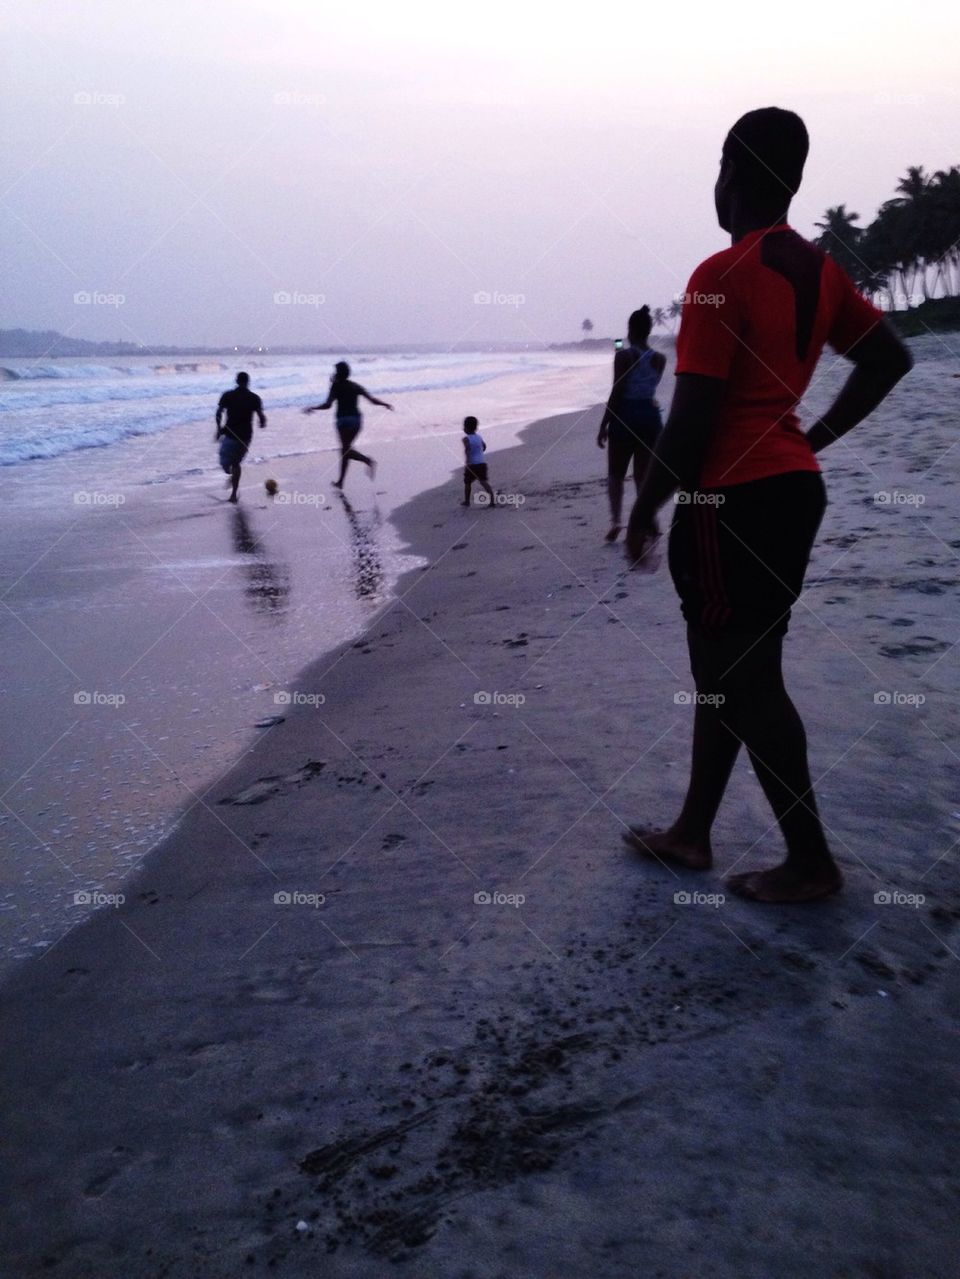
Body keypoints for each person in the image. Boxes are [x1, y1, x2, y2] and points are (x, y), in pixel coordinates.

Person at [622, 107, 912, 903]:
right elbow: (890, 357)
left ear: (732, 173)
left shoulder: (720, 275)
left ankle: (811, 860)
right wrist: (810, 438)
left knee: (744, 679)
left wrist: (646, 505)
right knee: (730, 666)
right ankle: (691, 832)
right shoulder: (821, 271)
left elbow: (693, 417)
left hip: (732, 500)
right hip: (790, 488)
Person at [597, 307, 666, 542]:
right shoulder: (660, 359)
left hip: (626, 415)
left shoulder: (624, 356)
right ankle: (650, 518)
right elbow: (649, 387)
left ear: (630, 330)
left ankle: (617, 521)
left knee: (616, 473)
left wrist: (604, 423)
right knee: (643, 475)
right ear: (649, 330)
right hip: (650, 415)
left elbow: (618, 390)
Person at [303, 361, 393, 489]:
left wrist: (313, 407)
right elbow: (372, 400)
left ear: (338, 373)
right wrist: (385, 404)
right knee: (345, 450)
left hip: (343, 421)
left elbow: (328, 405)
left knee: (345, 450)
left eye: (335, 371)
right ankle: (341, 482)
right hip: (356, 420)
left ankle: (368, 461)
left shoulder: (336, 386)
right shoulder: (355, 386)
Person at [215, 371, 266, 503]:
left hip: (232, 435)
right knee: (234, 464)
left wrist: (218, 429)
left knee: (226, 464)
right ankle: (233, 484)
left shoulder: (228, 395)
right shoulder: (254, 398)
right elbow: (261, 415)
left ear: (236, 381)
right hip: (245, 436)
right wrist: (262, 422)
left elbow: (219, 413)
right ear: (247, 382)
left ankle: (233, 494)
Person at [462, 416, 496, 507]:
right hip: (482, 463)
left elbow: (468, 450)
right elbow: (484, 446)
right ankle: (492, 499)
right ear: (476, 428)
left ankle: (467, 501)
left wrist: (467, 461)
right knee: (483, 481)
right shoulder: (479, 437)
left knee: (467, 483)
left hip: (472, 464)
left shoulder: (466, 439)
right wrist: (479, 452)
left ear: (465, 428)